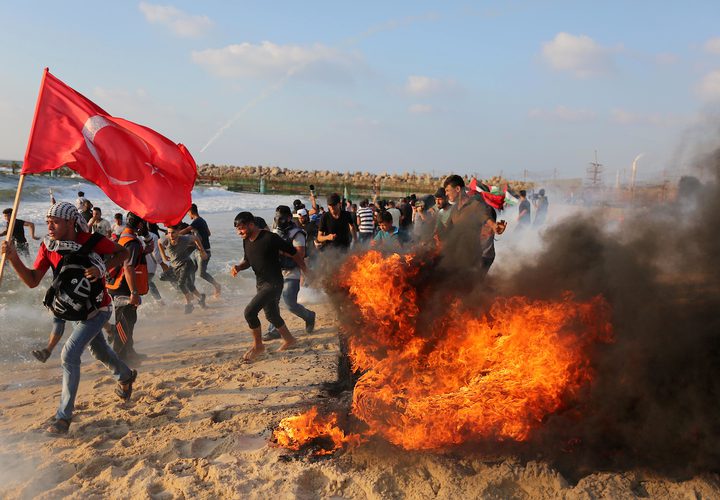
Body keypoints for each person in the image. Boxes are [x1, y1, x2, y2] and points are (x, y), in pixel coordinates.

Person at [0, 201, 136, 435]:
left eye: (55, 222)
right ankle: (125, 376)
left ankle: (63, 418)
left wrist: (102, 267)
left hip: (98, 309)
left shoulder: (92, 241)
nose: (49, 226)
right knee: (99, 351)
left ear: (71, 222)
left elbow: (122, 253)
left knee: (69, 354)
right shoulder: (48, 246)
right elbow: (33, 280)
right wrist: (13, 259)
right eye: (47, 222)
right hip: (73, 309)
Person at [230, 212, 304, 362]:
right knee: (271, 315)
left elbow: (294, 253)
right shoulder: (246, 240)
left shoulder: (270, 238)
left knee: (250, 312)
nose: (239, 232)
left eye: (242, 228)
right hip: (261, 283)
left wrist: (304, 271)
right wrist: (238, 267)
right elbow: (248, 261)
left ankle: (258, 346)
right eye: (237, 230)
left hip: (274, 283)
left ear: (251, 224)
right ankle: (290, 340)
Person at [264, 205, 316, 341]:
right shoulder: (275, 232)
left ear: (288, 218)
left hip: (292, 272)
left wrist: (280, 251)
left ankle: (309, 316)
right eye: (276, 217)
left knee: (289, 303)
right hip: (276, 271)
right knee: (273, 301)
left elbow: (299, 254)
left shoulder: (297, 234)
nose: (278, 220)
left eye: (281, 218)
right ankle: (274, 329)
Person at [443, 175, 505, 279]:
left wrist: (495, 226)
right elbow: (448, 230)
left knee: (472, 288)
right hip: (463, 256)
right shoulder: (454, 210)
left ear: (458, 189)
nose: (446, 194)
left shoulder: (476, 205)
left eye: (448, 190)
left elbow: (486, 217)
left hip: (480, 257)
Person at [106, 212, 148, 362]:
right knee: (124, 324)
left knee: (129, 320)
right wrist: (134, 292)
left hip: (117, 284)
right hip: (123, 287)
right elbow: (129, 267)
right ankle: (118, 358)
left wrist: (147, 241)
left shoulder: (124, 236)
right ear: (139, 224)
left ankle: (130, 352)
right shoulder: (132, 243)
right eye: (144, 223)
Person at [158, 225, 208, 314]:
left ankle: (189, 304)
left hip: (187, 264)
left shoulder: (184, 239)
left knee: (181, 284)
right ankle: (201, 297)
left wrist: (202, 251)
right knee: (189, 285)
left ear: (178, 232)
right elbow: (159, 242)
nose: (171, 235)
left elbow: (196, 238)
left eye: (173, 232)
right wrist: (163, 256)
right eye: (169, 233)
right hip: (176, 266)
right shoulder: (165, 239)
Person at [179, 203, 222, 298]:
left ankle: (217, 285)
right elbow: (209, 233)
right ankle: (193, 291)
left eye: (187, 213)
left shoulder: (197, 221)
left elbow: (187, 230)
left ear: (190, 211)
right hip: (197, 251)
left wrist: (176, 234)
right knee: (191, 271)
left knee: (201, 273)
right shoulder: (202, 221)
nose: (188, 215)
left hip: (204, 251)